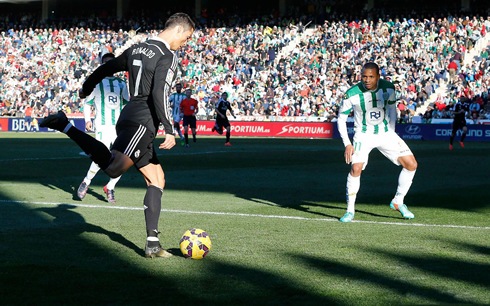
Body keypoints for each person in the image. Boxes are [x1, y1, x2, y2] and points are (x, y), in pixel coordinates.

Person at [40, 13, 195, 258]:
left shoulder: (137, 49)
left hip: (131, 114)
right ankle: (65, 126)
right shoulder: (167, 56)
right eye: (186, 38)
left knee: (157, 179)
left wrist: (87, 88)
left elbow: (107, 67)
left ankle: (152, 243)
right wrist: (169, 128)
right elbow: (158, 93)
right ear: (178, 30)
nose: (184, 43)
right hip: (143, 120)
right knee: (113, 169)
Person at [337, 62, 418, 223]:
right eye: (364, 76)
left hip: (385, 133)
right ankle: (350, 211)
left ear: (378, 77)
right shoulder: (352, 93)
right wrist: (347, 143)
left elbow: (392, 109)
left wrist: (392, 131)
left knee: (411, 164)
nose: (367, 80)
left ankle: (398, 201)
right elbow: (341, 118)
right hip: (363, 135)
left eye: (371, 77)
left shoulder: (388, 88)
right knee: (356, 168)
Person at [77, 53, 129, 204]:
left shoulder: (121, 83)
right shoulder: (96, 83)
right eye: (105, 63)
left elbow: (126, 104)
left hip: (119, 127)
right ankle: (86, 181)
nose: (108, 65)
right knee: (102, 156)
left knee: (124, 159)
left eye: (110, 63)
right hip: (102, 125)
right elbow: (87, 103)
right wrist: (87, 120)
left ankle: (110, 186)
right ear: (101, 64)